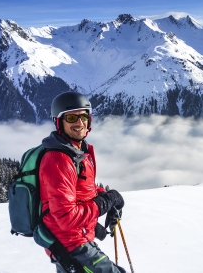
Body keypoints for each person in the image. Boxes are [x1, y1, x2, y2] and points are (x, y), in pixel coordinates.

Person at [39, 91, 126, 273]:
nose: (80, 123)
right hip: (71, 244)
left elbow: (82, 189)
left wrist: (108, 197)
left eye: (84, 116)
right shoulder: (58, 160)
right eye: (71, 117)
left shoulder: (76, 153)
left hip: (79, 238)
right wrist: (105, 202)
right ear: (59, 122)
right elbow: (66, 218)